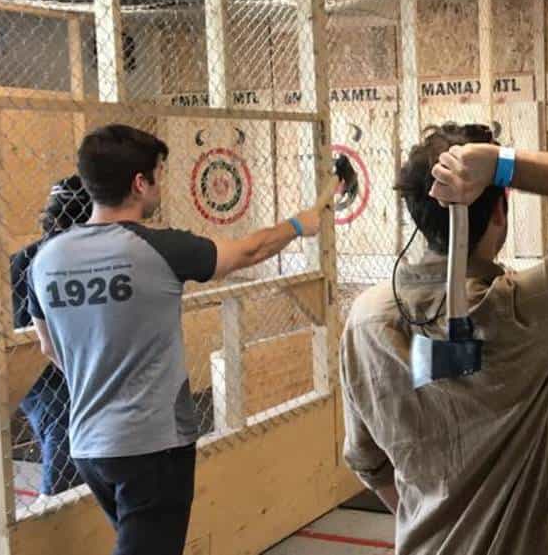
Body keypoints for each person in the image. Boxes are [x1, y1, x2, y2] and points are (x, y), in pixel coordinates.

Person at [340, 123, 548, 555]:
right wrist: (504, 167)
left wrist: (439, 520)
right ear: (499, 211)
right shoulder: (522, 309)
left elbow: (368, 461)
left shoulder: (366, 318)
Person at [26, 123, 336, 555]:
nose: (159, 186)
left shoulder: (45, 259)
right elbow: (249, 251)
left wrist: (99, 373)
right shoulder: (160, 248)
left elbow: (48, 346)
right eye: (157, 174)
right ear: (139, 183)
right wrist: (299, 225)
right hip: (152, 444)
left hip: (88, 445)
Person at [10, 175, 92, 497]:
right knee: (64, 424)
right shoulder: (29, 260)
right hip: (43, 373)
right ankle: (51, 506)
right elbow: (32, 339)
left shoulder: (90, 258)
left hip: (75, 365)